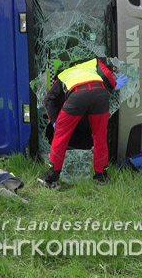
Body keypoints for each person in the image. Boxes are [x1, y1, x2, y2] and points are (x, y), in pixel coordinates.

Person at [40, 57, 128, 187]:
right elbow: (106, 73)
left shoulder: (64, 74)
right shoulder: (92, 63)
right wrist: (114, 85)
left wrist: (55, 121)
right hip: (100, 94)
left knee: (61, 136)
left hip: (78, 95)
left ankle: (51, 179)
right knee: (100, 138)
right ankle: (101, 178)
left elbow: (49, 99)